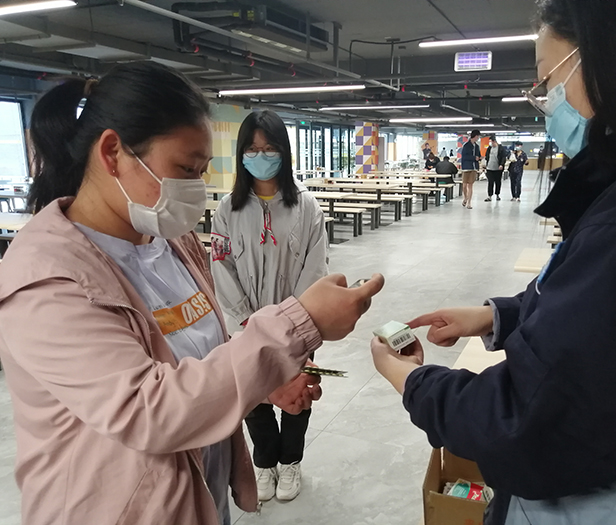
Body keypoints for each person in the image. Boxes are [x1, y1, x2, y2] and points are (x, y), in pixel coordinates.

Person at [0, 62, 384, 525]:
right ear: (112, 152)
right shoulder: (47, 279)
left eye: (202, 171)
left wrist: (264, 379)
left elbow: (199, 359)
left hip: (195, 497)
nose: (196, 188)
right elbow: (150, 410)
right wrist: (299, 323)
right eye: (185, 169)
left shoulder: (171, 241)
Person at [370, 0, 616, 523]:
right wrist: (497, 315)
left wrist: (410, 380)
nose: (546, 100)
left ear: (611, 57)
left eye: (548, 80)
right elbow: (600, 311)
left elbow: (520, 422)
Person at [211, 109, 328, 503]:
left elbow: (315, 270)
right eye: (252, 149)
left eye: (270, 148)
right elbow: (221, 266)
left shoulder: (307, 207)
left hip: (297, 325)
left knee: (297, 392)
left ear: (284, 152)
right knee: (253, 397)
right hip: (244, 326)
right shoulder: (227, 209)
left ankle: (291, 460)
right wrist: (246, 320)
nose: (260, 156)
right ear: (241, 154)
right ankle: (265, 462)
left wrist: (292, 324)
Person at [460, 129, 481, 209]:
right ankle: (465, 198)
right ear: (475, 136)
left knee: (470, 185)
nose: (478, 138)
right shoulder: (466, 146)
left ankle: (469, 202)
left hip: (474, 168)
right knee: (464, 185)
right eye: (478, 136)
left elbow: (478, 155)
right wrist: (474, 158)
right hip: (466, 167)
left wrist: (479, 158)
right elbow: (464, 157)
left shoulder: (477, 146)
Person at [484, 135, 508, 202]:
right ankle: (489, 195)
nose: (490, 143)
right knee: (490, 182)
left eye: (491, 141)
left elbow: (503, 157)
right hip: (489, 168)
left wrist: (501, 164)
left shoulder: (501, 148)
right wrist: (485, 165)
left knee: (498, 182)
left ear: (494, 141)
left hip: (498, 168)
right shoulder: (489, 148)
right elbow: (486, 157)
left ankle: (497, 194)